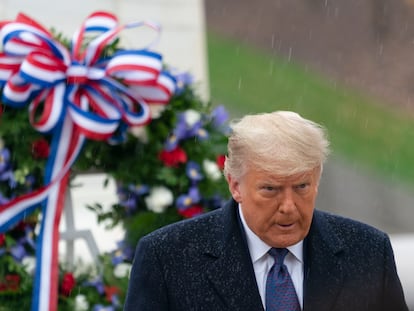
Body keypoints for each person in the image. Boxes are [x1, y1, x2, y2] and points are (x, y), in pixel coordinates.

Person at [124, 111, 408, 311]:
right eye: (270, 190)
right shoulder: (167, 259)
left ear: (317, 179)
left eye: (301, 187)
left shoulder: (369, 252)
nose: (288, 207)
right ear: (235, 185)